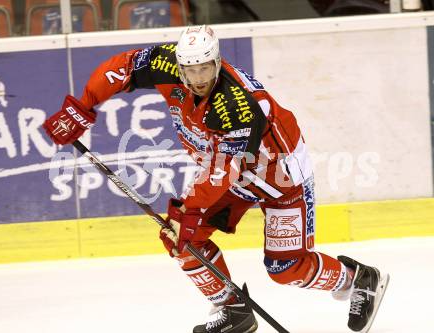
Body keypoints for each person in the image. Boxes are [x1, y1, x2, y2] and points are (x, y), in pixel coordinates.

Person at [42, 25, 389, 333]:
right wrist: (83, 106)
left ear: (218, 62)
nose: (198, 77)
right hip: (230, 173)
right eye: (190, 70)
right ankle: (233, 308)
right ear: (179, 66)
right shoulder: (167, 64)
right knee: (182, 240)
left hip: (279, 176)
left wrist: (189, 214)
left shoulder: (236, 105)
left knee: (285, 268)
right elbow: (123, 66)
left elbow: (224, 170)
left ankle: (358, 279)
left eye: (205, 68)